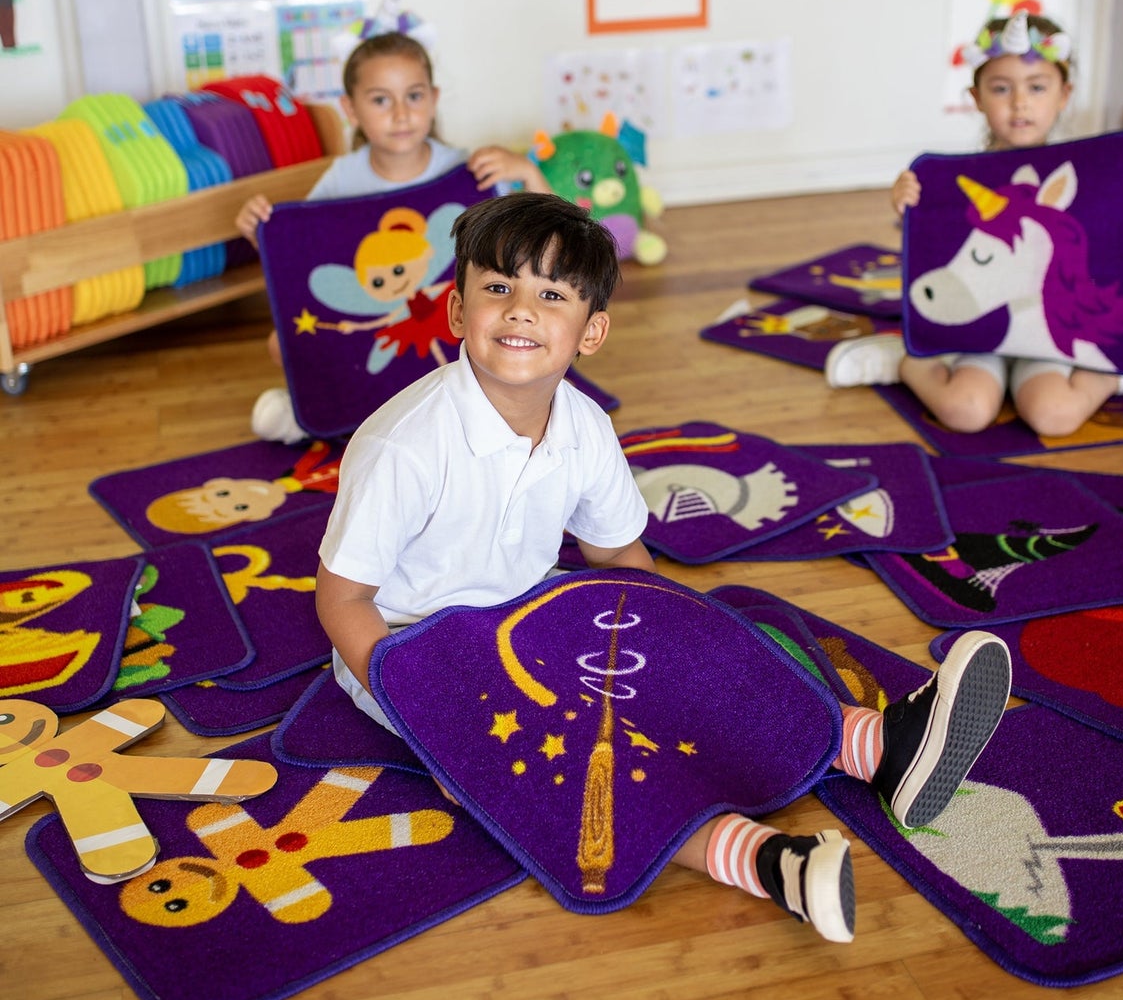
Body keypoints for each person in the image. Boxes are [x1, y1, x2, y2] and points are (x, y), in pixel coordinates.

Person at [316, 191, 1013, 947]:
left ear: (592, 331)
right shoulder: (405, 446)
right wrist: (427, 705)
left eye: (550, 294)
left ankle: (872, 745)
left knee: (687, 646)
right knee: (558, 745)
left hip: (528, 616)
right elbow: (343, 595)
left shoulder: (583, 424)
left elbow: (620, 557)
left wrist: (686, 650)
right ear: (457, 311)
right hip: (413, 645)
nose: (520, 311)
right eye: (498, 289)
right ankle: (765, 861)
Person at [825, 10, 1123, 434]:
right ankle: (906, 360)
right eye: (1001, 89)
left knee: (1053, 415)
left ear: (1063, 94)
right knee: (965, 411)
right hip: (978, 332)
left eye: (1037, 88)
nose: (1020, 103)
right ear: (978, 97)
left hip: (1049, 335)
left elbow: (1112, 236)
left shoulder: (1092, 178)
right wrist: (905, 199)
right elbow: (936, 240)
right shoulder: (953, 181)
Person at [234, 30, 548, 444]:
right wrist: (260, 230)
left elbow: (547, 235)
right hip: (373, 327)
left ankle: (451, 409)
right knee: (283, 343)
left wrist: (527, 173)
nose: (401, 113)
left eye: (414, 96)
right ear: (350, 109)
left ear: (434, 99)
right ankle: (320, 413)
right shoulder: (342, 178)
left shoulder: (469, 171)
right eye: (381, 100)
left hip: (451, 324)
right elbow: (299, 256)